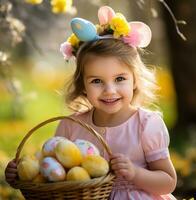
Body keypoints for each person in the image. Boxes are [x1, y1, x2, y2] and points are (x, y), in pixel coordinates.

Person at [5, 6, 177, 200]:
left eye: (120, 79)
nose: (109, 90)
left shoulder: (146, 124)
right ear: (83, 85)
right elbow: (52, 170)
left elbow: (168, 181)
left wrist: (135, 173)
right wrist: (22, 173)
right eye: (96, 81)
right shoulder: (71, 126)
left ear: (135, 80)